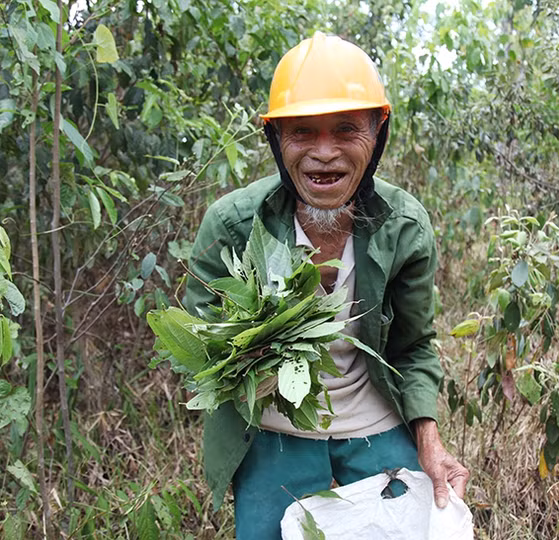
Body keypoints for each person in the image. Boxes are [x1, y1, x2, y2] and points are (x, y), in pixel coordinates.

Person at [183, 32, 470, 539]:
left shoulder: (403, 227)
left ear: (378, 131)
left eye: (345, 130)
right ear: (274, 138)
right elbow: (200, 343)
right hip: (273, 433)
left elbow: (415, 345)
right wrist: (247, 359)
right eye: (301, 132)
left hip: (374, 427)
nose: (324, 153)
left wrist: (428, 436)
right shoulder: (231, 224)